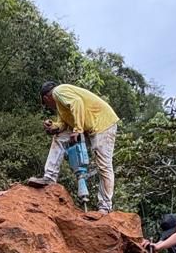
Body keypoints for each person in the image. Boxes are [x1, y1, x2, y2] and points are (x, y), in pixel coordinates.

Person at [34, 82, 119, 212]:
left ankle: (105, 206)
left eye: (46, 104)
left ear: (46, 98)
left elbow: (77, 102)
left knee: (104, 165)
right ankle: (49, 177)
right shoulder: (61, 105)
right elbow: (63, 124)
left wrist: (78, 129)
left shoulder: (58, 91)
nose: (49, 107)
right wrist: (53, 127)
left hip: (103, 123)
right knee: (59, 137)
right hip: (89, 127)